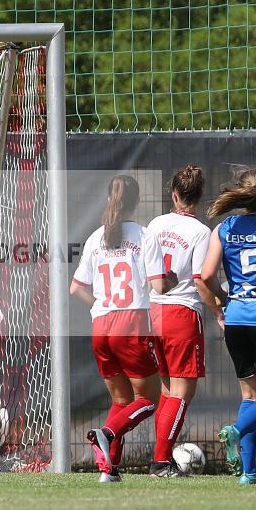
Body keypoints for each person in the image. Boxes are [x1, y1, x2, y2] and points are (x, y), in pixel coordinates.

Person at [71, 175, 176, 483]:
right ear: (138, 202)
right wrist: (171, 279)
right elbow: (158, 285)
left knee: (120, 401)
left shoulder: (96, 237)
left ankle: (109, 469)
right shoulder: (144, 236)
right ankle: (108, 432)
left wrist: (98, 306)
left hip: (101, 325)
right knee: (149, 400)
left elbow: (76, 287)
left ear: (109, 200)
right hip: (131, 325)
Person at [200, 167, 256, 485]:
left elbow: (206, 275)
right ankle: (236, 432)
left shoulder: (224, 228)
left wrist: (225, 299)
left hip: (236, 318)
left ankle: (249, 473)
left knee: (250, 396)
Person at [144, 164, 221, 477]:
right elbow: (201, 280)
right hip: (181, 313)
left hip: (153, 311)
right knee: (182, 393)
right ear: (199, 197)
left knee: (167, 389)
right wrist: (218, 308)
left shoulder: (156, 224)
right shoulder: (201, 232)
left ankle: (160, 458)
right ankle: (161, 462)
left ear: (174, 195)